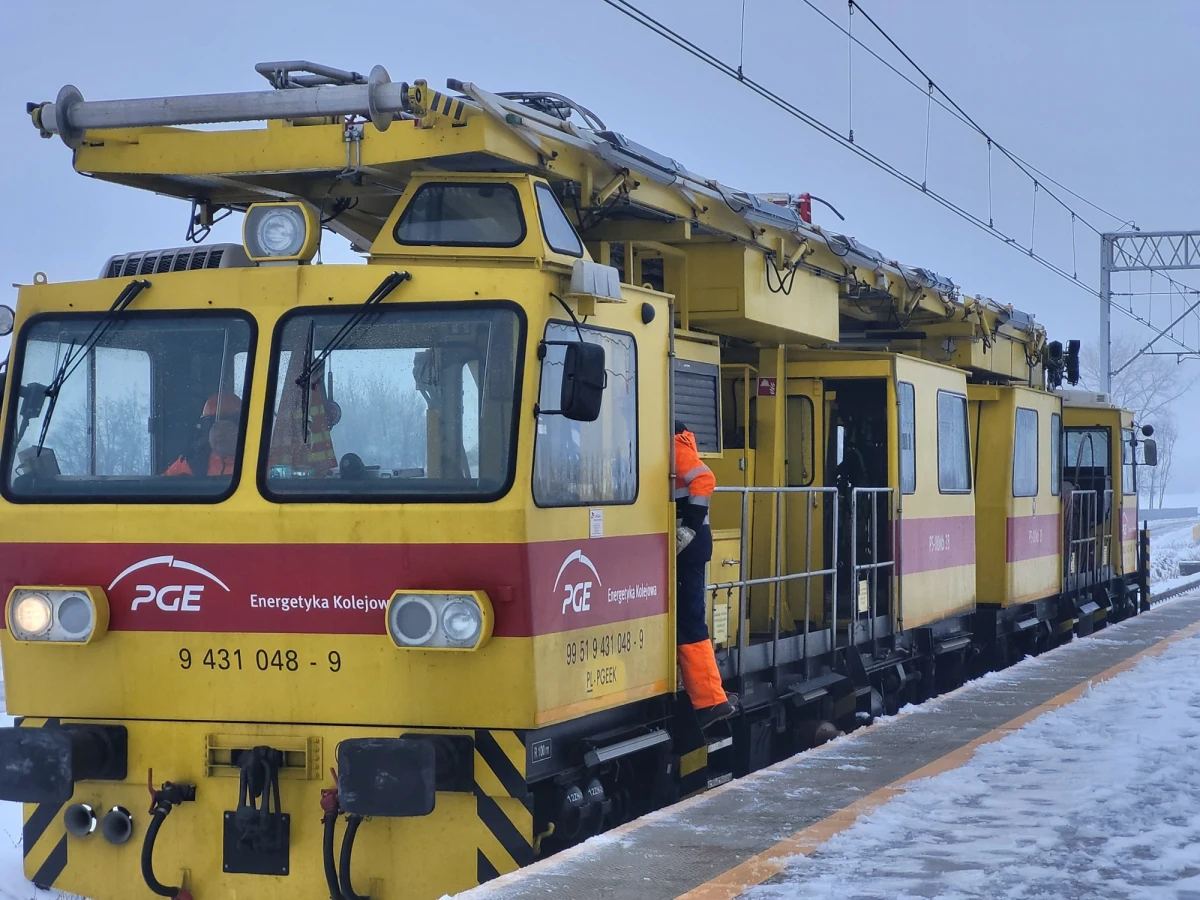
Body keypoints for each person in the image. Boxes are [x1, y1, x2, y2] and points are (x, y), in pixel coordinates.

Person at [674, 420, 737, 727]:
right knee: (688, 619)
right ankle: (710, 698)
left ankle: (710, 700)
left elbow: (704, 478)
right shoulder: (679, 444)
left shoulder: (672, 446)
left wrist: (688, 526)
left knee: (688, 622)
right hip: (691, 545)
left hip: (688, 545)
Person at [164, 393, 241, 476]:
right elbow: (161, 487)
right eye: (212, 426)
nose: (219, 433)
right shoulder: (192, 463)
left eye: (226, 426)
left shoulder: (254, 463)